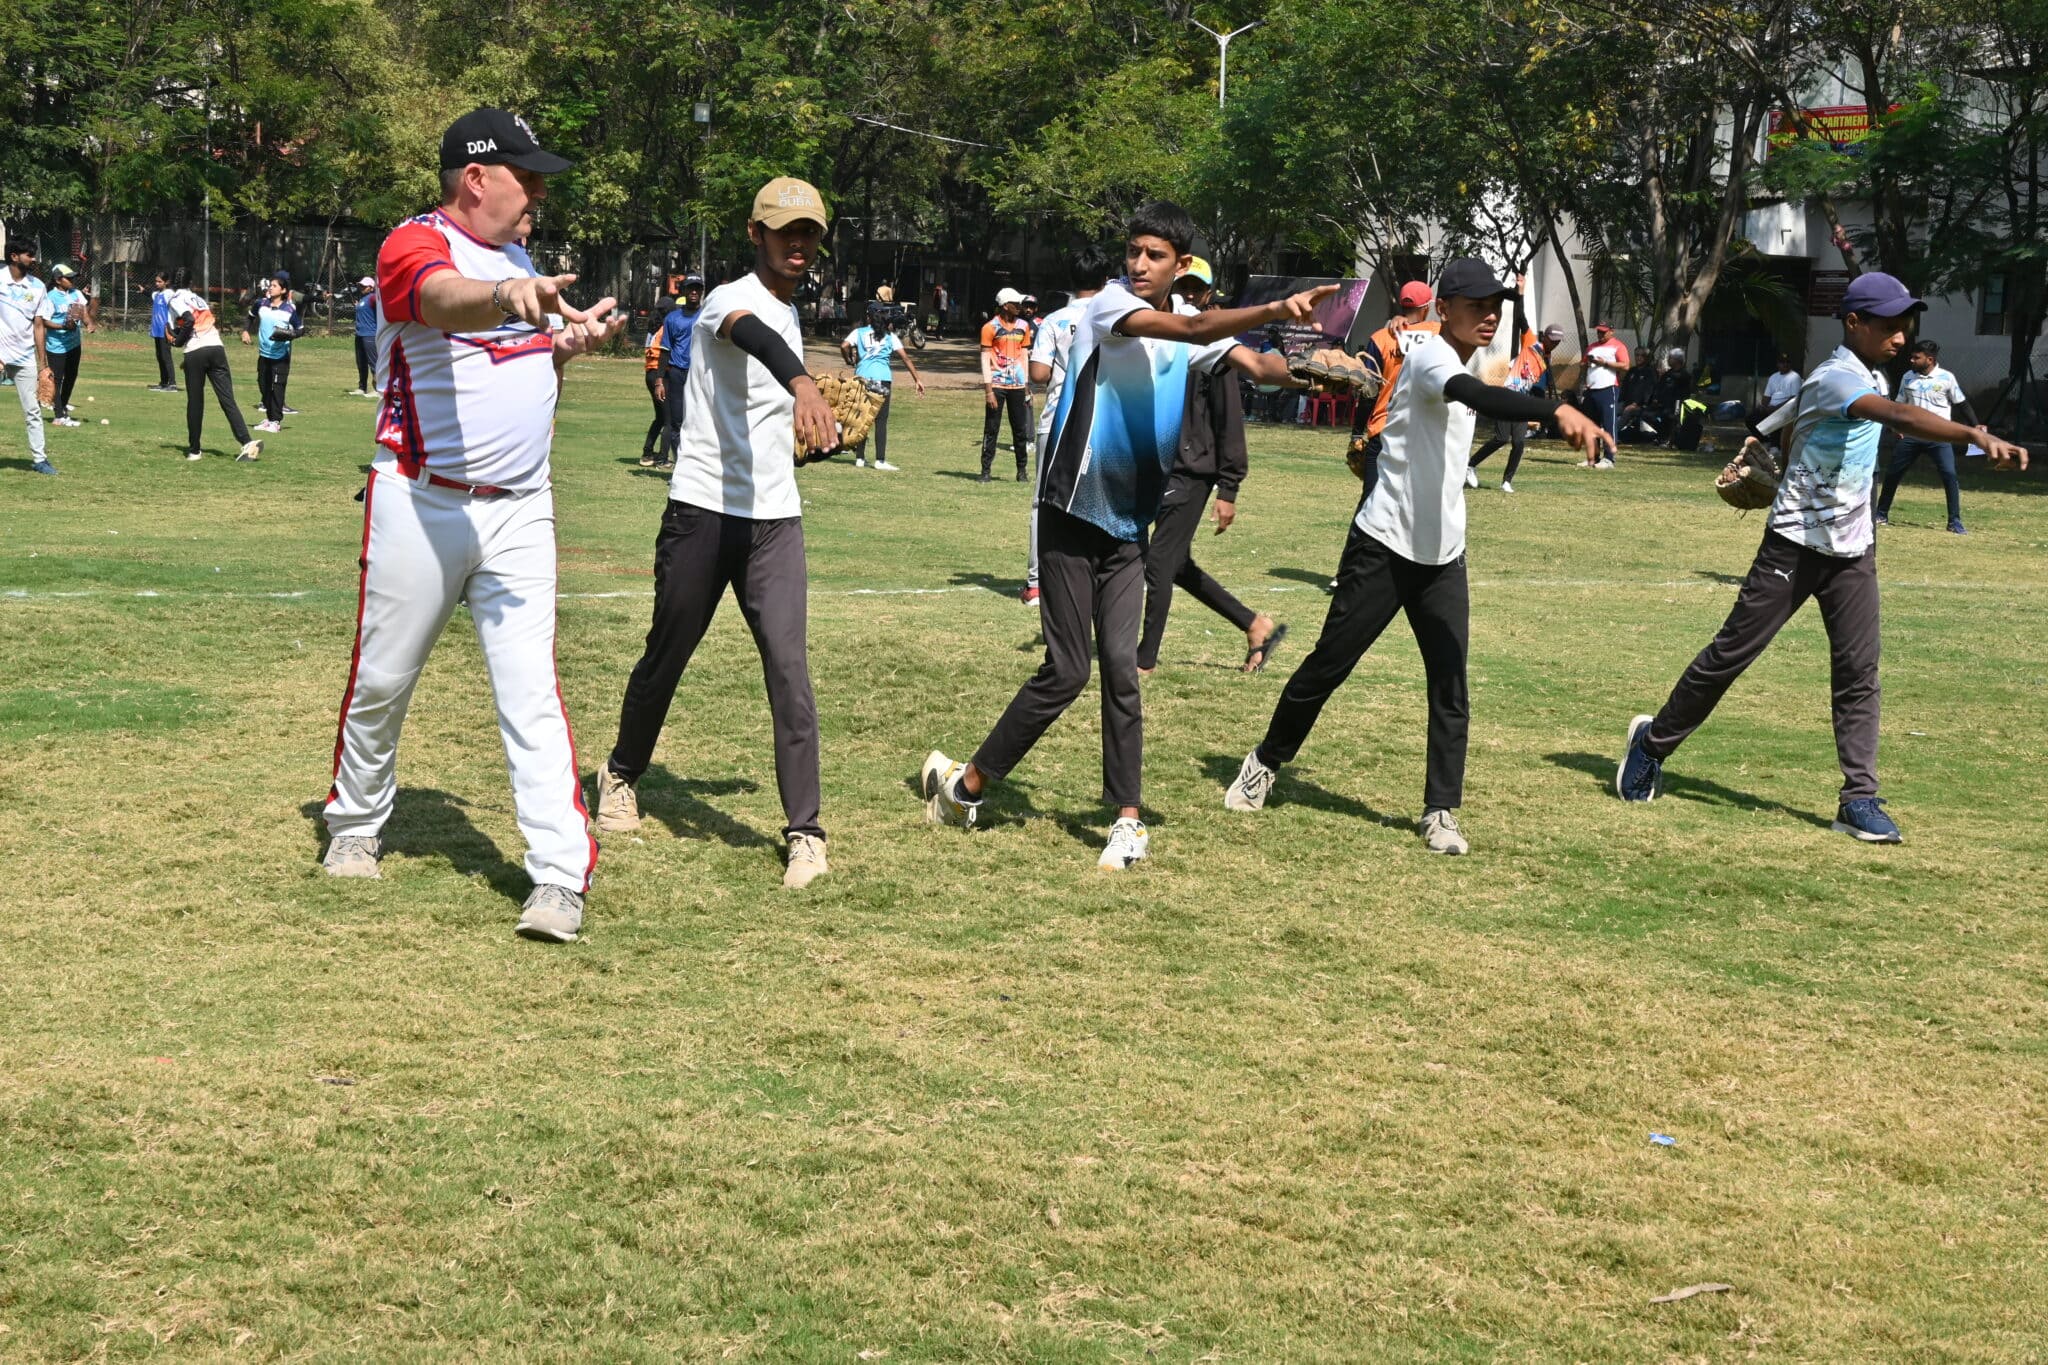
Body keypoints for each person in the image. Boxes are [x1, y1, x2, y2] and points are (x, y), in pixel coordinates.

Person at [919, 200, 1331, 871]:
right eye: (1135, 250)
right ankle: (966, 786)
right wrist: (1273, 311)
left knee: (1121, 669)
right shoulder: (1109, 308)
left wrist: (1325, 367)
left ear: (1178, 264)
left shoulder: (1187, 335)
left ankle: (1127, 822)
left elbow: (1257, 369)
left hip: (1126, 530)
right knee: (1066, 671)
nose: (1139, 264)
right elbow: (1195, 327)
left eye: (1155, 255)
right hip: (1068, 514)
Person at [321, 107, 622, 943]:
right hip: (423, 501)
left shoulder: (520, 260)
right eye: (526, 177)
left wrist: (567, 344)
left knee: (531, 693)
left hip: (522, 507)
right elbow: (443, 303)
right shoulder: (414, 245)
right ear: (476, 179)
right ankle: (354, 824)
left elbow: (514, 362)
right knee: (383, 678)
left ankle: (559, 877)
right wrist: (507, 296)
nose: (538, 193)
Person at [1616, 273, 2028, 843]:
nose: (1901, 335)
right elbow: (1900, 419)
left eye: (1904, 324)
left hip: (1854, 551)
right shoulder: (1837, 377)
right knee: (1730, 656)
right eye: (1887, 324)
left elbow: (1781, 426)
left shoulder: (1868, 374)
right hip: (1793, 544)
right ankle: (1652, 743)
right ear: (1853, 322)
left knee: (1859, 674)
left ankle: (1858, 798)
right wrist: (1975, 436)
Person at [1224, 260, 1615, 855]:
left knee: (1450, 682)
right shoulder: (1431, 354)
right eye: (1478, 305)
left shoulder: (1466, 357)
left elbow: (1481, 390)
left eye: (1498, 306)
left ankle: (1441, 811)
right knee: (1328, 666)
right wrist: (1551, 409)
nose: (1491, 316)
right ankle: (1265, 760)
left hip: (1443, 554)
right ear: (1445, 307)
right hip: (1383, 543)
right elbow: (1475, 394)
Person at [594, 177, 839, 891]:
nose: (798, 244)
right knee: (667, 655)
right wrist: (803, 383)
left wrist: (806, 434)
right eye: (784, 231)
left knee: (789, 668)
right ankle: (620, 773)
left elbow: (766, 398)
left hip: (774, 520)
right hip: (703, 509)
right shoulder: (726, 300)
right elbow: (750, 337)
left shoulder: (794, 314)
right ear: (754, 233)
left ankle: (806, 831)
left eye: (809, 233)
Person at [1136, 257, 1287, 675]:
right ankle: (1255, 625)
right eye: (1180, 286)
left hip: (1193, 469)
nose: (1186, 295)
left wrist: (1229, 490)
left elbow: (1229, 418)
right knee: (1175, 565)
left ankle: (1143, 661)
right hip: (1163, 464)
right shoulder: (1160, 335)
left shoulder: (1217, 345)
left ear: (1207, 294)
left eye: (1194, 289)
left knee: (1157, 564)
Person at [1022, 248, 1113, 605]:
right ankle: (1094, 578)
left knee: (1044, 503)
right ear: (1105, 281)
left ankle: (1036, 583)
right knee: (1099, 501)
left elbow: (1039, 373)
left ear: (1071, 281)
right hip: (1103, 422)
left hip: (1059, 419)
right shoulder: (1115, 318)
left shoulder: (1054, 320)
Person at [1346, 281, 1440, 495]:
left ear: (1401, 305)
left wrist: (1356, 433)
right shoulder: (1438, 333)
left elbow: (1368, 391)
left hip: (1383, 429)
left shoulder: (1381, 337)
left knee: (1371, 500)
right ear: (1427, 307)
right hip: (1422, 431)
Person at [1875, 339, 1978, 534]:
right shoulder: (1907, 377)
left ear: (1929, 359)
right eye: (1912, 357)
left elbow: (1962, 403)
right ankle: (1881, 514)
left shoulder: (1946, 378)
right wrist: (1895, 426)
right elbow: (1899, 404)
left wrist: (1976, 425)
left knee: (1949, 475)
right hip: (1911, 436)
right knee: (1893, 474)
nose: (1912, 360)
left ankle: (1954, 521)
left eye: (1916, 357)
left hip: (1939, 437)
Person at [164, 266, 261, 462]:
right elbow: (198, 323)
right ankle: (247, 441)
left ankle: (194, 450)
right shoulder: (199, 299)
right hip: (216, 349)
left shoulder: (174, 299)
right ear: (192, 283)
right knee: (227, 399)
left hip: (195, 351)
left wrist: (177, 342)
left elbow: (188, 322)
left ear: (171, 283)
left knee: (195, 402)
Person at [1466, 321, 1560, 492]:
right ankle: (1471, 464)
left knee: (1519, 442)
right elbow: (1522, 319)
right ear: (1544, 337)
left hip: (1522, 402)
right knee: (1501, 438)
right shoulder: (1531, 342)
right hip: (1507, 397)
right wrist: (1520, 295)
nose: (1555, 343)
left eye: (1558, 341)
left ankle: (1507, 481)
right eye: (1552, 339)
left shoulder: (1547, 359)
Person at [840, 301, 926, 470]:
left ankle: (859, 458)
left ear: (868, 317)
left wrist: (849, 359)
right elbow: (906, 358)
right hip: (882, 378)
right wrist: (917, 379)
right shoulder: (890, 336)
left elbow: (844, 346)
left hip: (863, 378)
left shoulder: (859, 333)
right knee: (881, 420)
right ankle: (879, 460)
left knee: (862, 417)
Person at [1, 238, 56, 475]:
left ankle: (40, 459)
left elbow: (39, 326)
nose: (33, 259)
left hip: (24, 357)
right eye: (28, 255)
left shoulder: (37, 287)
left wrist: (42, 365)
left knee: (33, 410)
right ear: (14, 256)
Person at [979, 287, 1034, 481]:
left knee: (1020, 429)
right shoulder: (990, 327)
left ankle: (1022, 471)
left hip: (1018, 386)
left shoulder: (1023, 327)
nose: (1020, 307)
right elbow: (985, 359)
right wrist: (988, 391)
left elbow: (1025, 356)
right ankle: (985, 471)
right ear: (1004, 305)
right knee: (991, 428)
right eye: (1016, 304)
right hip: (997, 384)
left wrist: (1026, 384)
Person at [655, 275, 703, 469]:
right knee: (676, 422)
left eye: (697, 288)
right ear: (683, 291)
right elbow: (665, 350)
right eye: (690, 288)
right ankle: (681, 467)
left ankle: (699, 467)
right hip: (677, 374)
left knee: (699, 421)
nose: (694, 292)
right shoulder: (672, 318)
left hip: (700, 375)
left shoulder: (708, 315)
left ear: (701, 292)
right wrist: (659, 380)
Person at [38, 263, 89, 426]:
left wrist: (89, 323)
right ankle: (58, 416)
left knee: (72, 376)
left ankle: (62, 406)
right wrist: (62, 326)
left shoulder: (76, 293)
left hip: (74, 343)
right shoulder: (50, 297)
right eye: (69, 278)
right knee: (57, 380)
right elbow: (44, 321)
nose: (72, 280)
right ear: (58, 280)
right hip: (56, 345)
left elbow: (83, 312)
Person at [250, 275, 302, 432]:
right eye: (270, 285)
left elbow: (300, 329)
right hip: (263, 354)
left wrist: (289, 335)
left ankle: (276, 422)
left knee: (277, 388)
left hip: (280, 357)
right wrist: (246, 331)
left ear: (283, 290)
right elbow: (250, 316)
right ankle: (269, 418)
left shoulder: (289, 310)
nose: (270, 287)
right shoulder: (261, 304)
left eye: (274, 285)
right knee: (263, 386)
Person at [1580, 321, 1628, 465]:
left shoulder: (1618, 346)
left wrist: (1604, 363)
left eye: (1603, 331)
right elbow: (1582, 364)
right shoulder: (1592, 347)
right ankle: (1593, 457)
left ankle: (1609, 458)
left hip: (1608, 388)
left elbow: (1625, 365)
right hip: (1591, 389)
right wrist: (1585, 364)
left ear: (1611, 331)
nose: (1600, 334)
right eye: (1598, 331)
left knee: (1608, 424)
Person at [638, 298, 673, 468]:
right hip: (660, 375)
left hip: (650, 374)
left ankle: (647, 453)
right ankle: (662, 458)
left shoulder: (652, 328)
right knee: (669, 419)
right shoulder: (665, 328)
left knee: (660, 417)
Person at [149, 270, 179, 392]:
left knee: (166, 356)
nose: (157, 283)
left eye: (160, 281)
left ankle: (172, 384)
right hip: (156, 330)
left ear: (167, 282)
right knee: (159, 356)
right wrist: (143, 291)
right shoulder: (156, 294)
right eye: (156, 281)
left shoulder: (169, 294)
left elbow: (177, 307)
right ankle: (163, 382)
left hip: (165, 330)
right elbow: (149, 294)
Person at [350, 276, 379, 395]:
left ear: (371, 287)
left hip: (370, 335)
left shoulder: (373, 298)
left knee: (373, 362)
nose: (361, 287)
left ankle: (378, 388)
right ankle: (362, 387)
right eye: (360, 285)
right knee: (361, 362)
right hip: (359, 334)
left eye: (364, 286)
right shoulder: (363, 299)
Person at [1759, 353, 1800, 423]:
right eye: (1782, 362)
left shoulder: (1795, 377)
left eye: (1788, 362)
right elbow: (1767, 397)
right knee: (1751, 419)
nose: (1785, 364)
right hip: (1771, 409)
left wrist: (1775, 408)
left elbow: (1794, 399)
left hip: (1785, 410)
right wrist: (1763, 407)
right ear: (1778, 364)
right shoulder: (1773, 376)